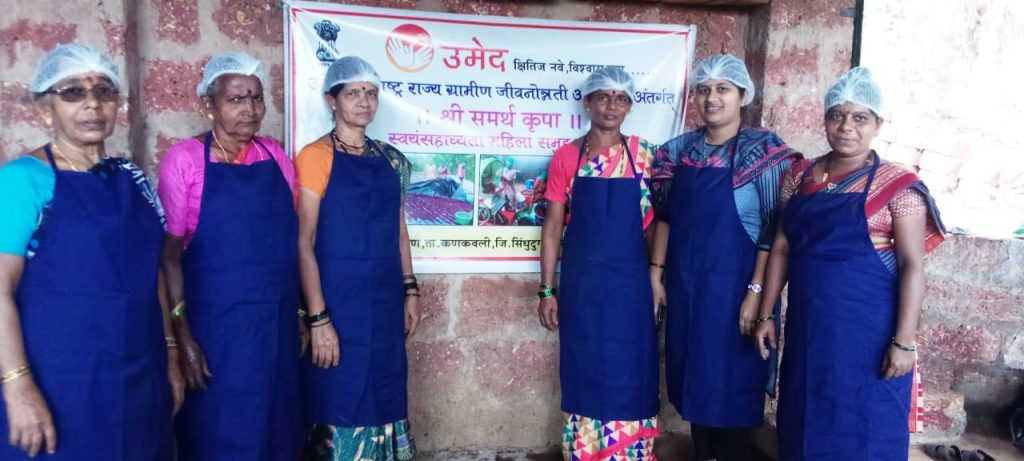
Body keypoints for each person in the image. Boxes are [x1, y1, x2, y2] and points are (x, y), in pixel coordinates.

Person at [753, 67, 946, 460]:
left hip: (870, 334)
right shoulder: (800, 176)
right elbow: (783, 247)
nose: (846, 127)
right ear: (825, 119)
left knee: (868, 424)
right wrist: (766, 313)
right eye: (837, 115)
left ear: (878, 124)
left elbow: (912, 266)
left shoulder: (897, 185)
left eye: (860, 118)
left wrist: (903, 341)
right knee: (805, 416)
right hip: (810, 329)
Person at [0, 43, 181, 460]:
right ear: (46, 108)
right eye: (73, 93)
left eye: (104, 91)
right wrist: (17, 384)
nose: (92, 105)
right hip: (60, 384)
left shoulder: (133, 179)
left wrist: (170, 353)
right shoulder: (23, 181)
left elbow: (151, 273)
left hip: (139, 377)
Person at [649, 54, 800, 461]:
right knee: (694, 381)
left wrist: (756, 292)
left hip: (737, 292)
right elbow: (665, 217)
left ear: (743, 95)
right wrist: (656, 273)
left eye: (722, 89)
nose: (711, 98)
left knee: (732, 387)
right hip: (687, 289)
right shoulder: (678, 152)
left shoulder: (764, 154)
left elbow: (773, 229)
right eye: (703, 89)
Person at [158, 52, 304, 461]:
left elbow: (287, 242)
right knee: (219, 437)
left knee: (277, 432)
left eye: (256, 98)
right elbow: (169, 257)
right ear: (210, 104)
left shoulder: (276, 158)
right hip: (215, 334)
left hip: (274, 328)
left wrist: (299, 314)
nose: (250, 109)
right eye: (236, 99)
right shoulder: (184, 161)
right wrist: (182, 336)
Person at [295, 56, 419, 461]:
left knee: (385, 392)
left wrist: (410, 290)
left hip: (383, 304)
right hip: (337, 304)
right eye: (352, 93)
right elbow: (304, 242)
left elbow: (399, 232)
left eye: (370, 92)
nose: (364, 101)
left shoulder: (392, 160)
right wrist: (318, 319)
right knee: (338, 395)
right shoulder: (315, 156)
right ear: (332, 101)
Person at [537, 67, 660, 460]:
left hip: (632, 287)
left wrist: (657, 278)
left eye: (621, 98)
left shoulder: (646, 156)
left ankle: (630, 453)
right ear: (587, 102)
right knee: (584, 366)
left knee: (632, 366)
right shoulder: (566, 157)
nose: (612, 105)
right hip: (583, 287)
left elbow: (657, 225)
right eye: (603, 97)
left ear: (630, 106)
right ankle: (586, 452)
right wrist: (547, 289)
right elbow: (553, 227)